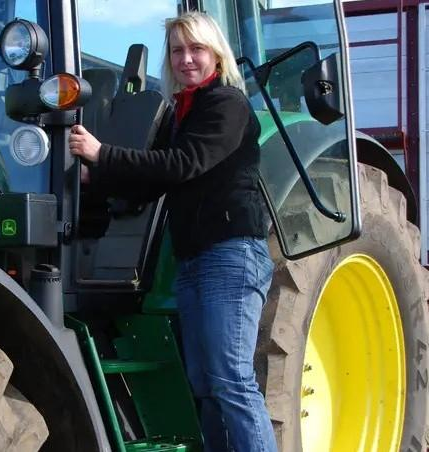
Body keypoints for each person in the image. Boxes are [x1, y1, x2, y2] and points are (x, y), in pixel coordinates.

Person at [69, 11, 277, 452]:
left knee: (231, 380)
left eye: (196, 49)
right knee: (204, 382)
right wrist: (94, 177)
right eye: (178, 51)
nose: (186, 59)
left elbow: (182, 165)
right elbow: (153, 181)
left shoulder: (227, 104)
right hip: (194, 258)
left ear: (216, 54)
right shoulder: (184, 110)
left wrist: (102, 153)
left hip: (230, 253)